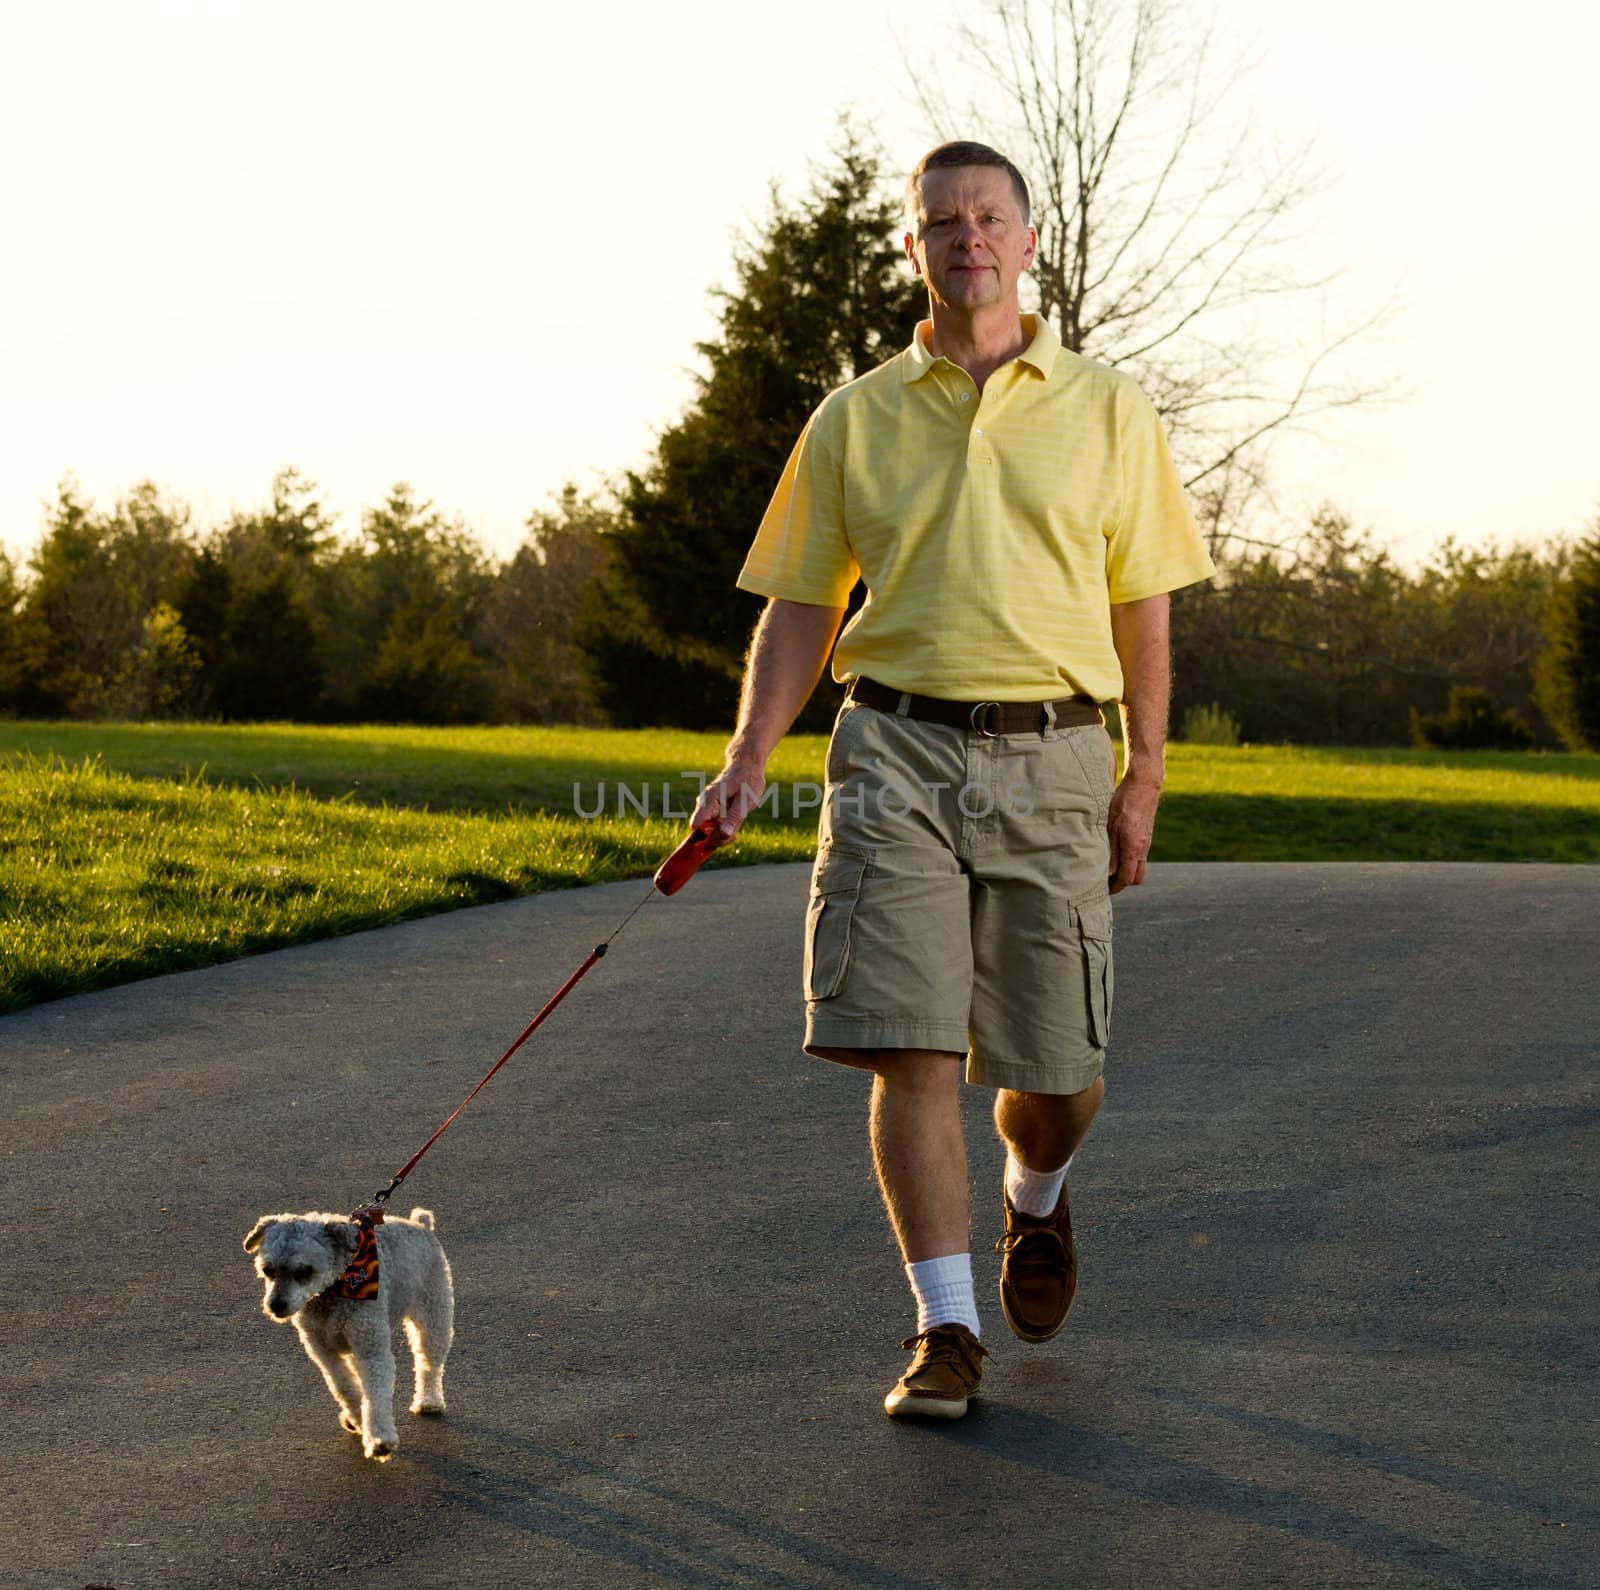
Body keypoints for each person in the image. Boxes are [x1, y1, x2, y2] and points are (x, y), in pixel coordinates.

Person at [690, 140, 1216, 1420]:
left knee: (1057, 1075)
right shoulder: (854, 416)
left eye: (989, 217)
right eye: (941, 220)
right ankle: (946, 1330)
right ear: (913, 247)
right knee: (908, 1049)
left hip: (1054, 753)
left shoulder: (1108, 411)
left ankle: (1034, 1196)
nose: (966, 236)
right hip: (894, 751)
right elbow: (801, 608)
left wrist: (1142, 777)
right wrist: (747, 755)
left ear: (1029, 244)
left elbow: (1143, 612)